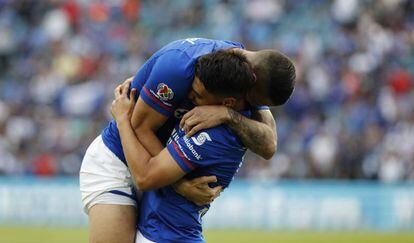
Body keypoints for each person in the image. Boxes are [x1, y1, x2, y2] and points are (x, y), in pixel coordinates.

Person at [79, 38, 295, 243]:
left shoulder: (235, 78)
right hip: (119, 159)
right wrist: (179, 185)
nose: (247, 105)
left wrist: (228, 115)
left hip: (160, 168)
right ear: (252, 79)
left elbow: (269, 145)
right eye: (251, 100)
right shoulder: (178, 67)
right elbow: (139, 127)